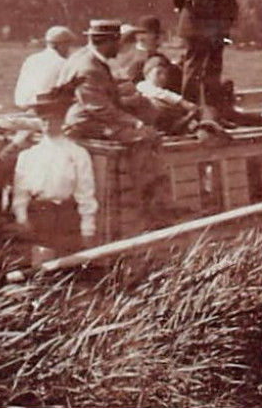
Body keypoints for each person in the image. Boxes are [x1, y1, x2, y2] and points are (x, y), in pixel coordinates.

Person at [57, 19, 178, 221]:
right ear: (107, 42)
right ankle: (147, 204)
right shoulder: (89, 68)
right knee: (143, 138)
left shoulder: (88, 58)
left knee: (148, 132)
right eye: (117, 42)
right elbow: (100, 108)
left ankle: (155, 198)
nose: (120, 46)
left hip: (90, 115)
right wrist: (135, 122)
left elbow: (106, 97)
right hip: (85, 123)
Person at [11, 90, 99, 260]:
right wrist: (22, 217)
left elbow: (85, 193)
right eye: (44, 119)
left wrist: (88, 228)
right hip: (37, 215)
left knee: (67, 263)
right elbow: (20, 192)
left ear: (62, 120)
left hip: (66, 216)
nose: (49, 124)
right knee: (39, 263)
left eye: (54, 119)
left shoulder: (77, 153)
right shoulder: (28, 155)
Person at [14, 26, 76, 109]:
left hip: (24, 105)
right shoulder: (63, 63)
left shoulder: (31, 59)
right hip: (47, 107)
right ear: (57, 45)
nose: (69, 50)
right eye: (67, 45)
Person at [117, 15, 165, 84]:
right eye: (154, 34)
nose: (158, 37)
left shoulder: (162, 58)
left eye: (158, 33)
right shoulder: (127, 58)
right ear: (139, 36)